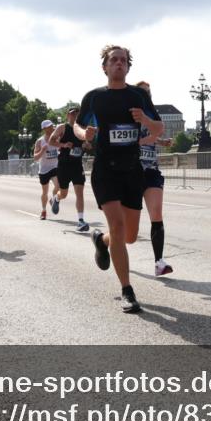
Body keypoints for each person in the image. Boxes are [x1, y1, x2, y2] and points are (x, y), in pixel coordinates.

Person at [74, 45, 163, 313]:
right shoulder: (94, 97)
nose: (119, 64)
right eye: (114, 60)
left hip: (132, 169)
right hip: (105, 170)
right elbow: (77, 126)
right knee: (117, 225)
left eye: (123, 60)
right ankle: (127, 290)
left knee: (129, 236)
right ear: (105, 66)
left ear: (128, 66)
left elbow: (158, 128)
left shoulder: (138, 95)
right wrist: (84, 135)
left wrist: (145, 118)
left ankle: (102, 242)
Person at [135, 81, 173, 277]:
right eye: (142, 92)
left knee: (156, 213)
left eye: (149, 92)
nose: (146, 95)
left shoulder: (152, 115)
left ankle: (159, 262)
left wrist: (160, 141)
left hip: (151, 170)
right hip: (131, 172)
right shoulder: (127, 113)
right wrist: (145, 141)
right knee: (126, 232)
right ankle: (104, 241)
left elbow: (153, 132)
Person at [48, 108, 91, 231]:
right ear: (68, 115)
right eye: (73, 114)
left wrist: (87, 145)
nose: (75, 116)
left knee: (80, 193)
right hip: (64, 165)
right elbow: (51, 140)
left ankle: (81, 221)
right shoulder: (62, 127)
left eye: (77, 114)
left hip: (77, 165)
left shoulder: (83, 129)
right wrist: (63, 145)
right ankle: (56, 198)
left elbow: (88, 144)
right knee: (64, 193)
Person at [33, 119, 61, 220]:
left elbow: (61, 148)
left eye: (52, 126)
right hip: (44, 169)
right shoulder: (40, 141)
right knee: (45, 192)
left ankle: (53, 200)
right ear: (44, 129)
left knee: (59, 186)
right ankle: (44, 211)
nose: (52, 128)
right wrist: (42, 150)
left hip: (55, 167)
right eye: (49, 126)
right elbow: (35, 157)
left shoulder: (56, 139)